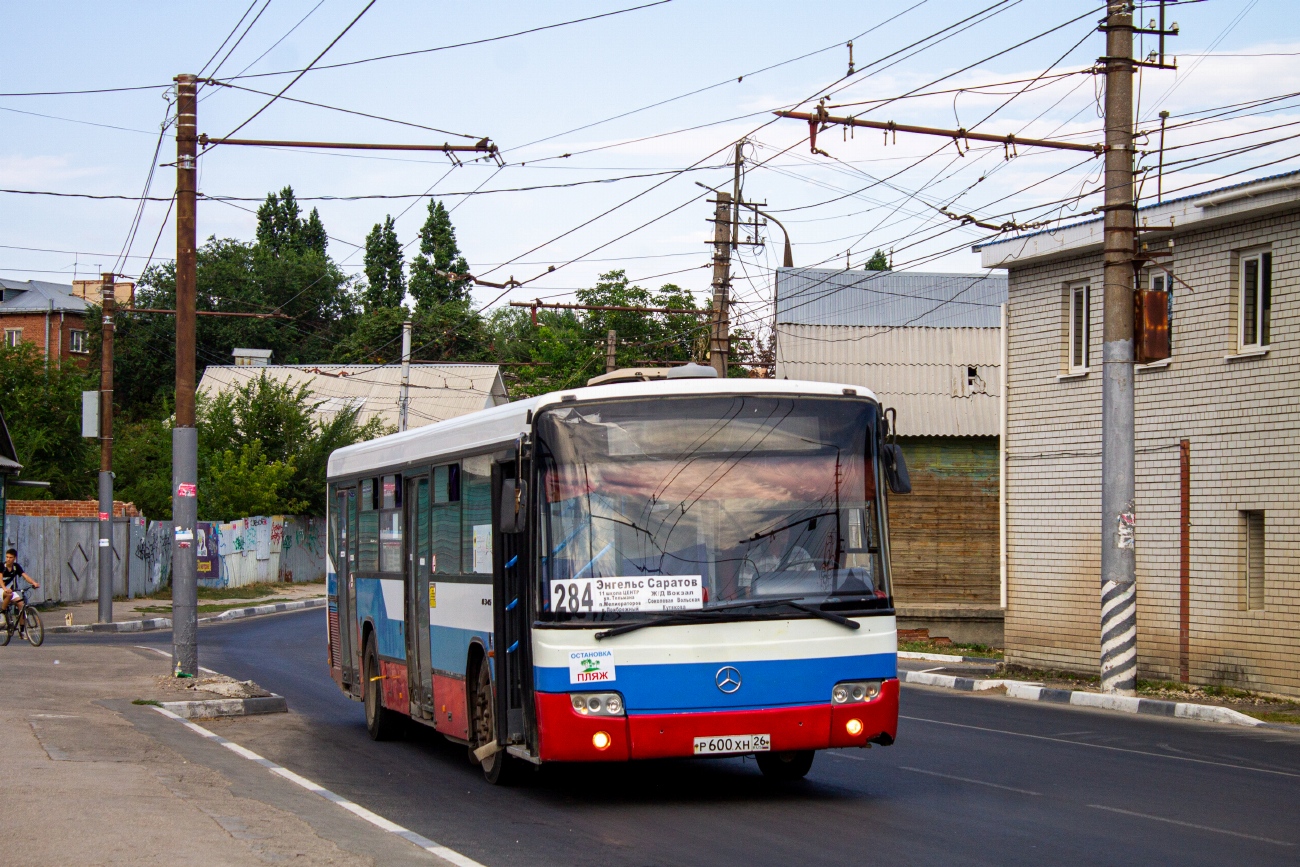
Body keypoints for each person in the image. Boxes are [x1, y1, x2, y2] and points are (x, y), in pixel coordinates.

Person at [1, 548, 39, 615]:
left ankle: (22, 625)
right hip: (1, 589)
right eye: (7, 557)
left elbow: (25, 576)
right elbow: (0, 580)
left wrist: (34, 583)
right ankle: (2, 612)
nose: (8, 559)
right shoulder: (1, 566)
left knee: (20, 604)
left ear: (14, 558)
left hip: (9, 590)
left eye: (10, 557)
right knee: (9, 594)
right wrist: (5, 589)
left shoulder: (16, 567)